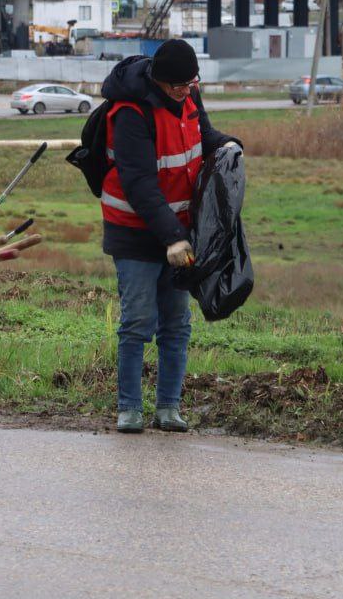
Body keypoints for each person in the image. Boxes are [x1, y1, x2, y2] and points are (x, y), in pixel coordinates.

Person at [99, 40, 240, 434]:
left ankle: (168, 408)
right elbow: (140, 185)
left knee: (177, 323)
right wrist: (172, 240)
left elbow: (203, 135)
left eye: (190, 83)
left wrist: (228, 145)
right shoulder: (132, 113)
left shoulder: (189, 94)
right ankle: (129, 408)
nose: (185, 90)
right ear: (159, 81)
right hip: (135, 233)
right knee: (138, 321)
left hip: (178, 231)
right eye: (177, 85)